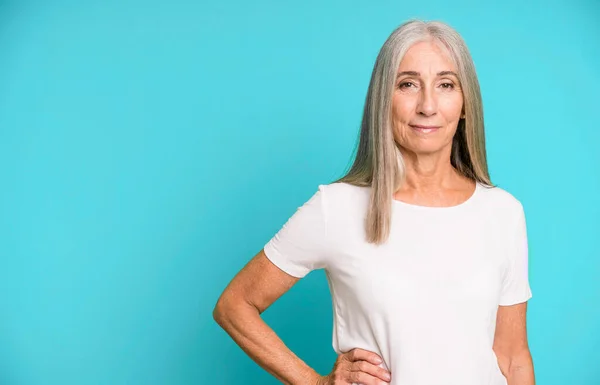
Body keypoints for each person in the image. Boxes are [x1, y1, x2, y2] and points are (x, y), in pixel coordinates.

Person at [213, 19, 534, 385]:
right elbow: (234, 306)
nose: (428, 105)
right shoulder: (336, 208)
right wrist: (314, 382)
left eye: (446, 85)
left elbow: (512, 357)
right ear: (384, 100)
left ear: (465, 105)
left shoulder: (503, 212)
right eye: (408, 84)